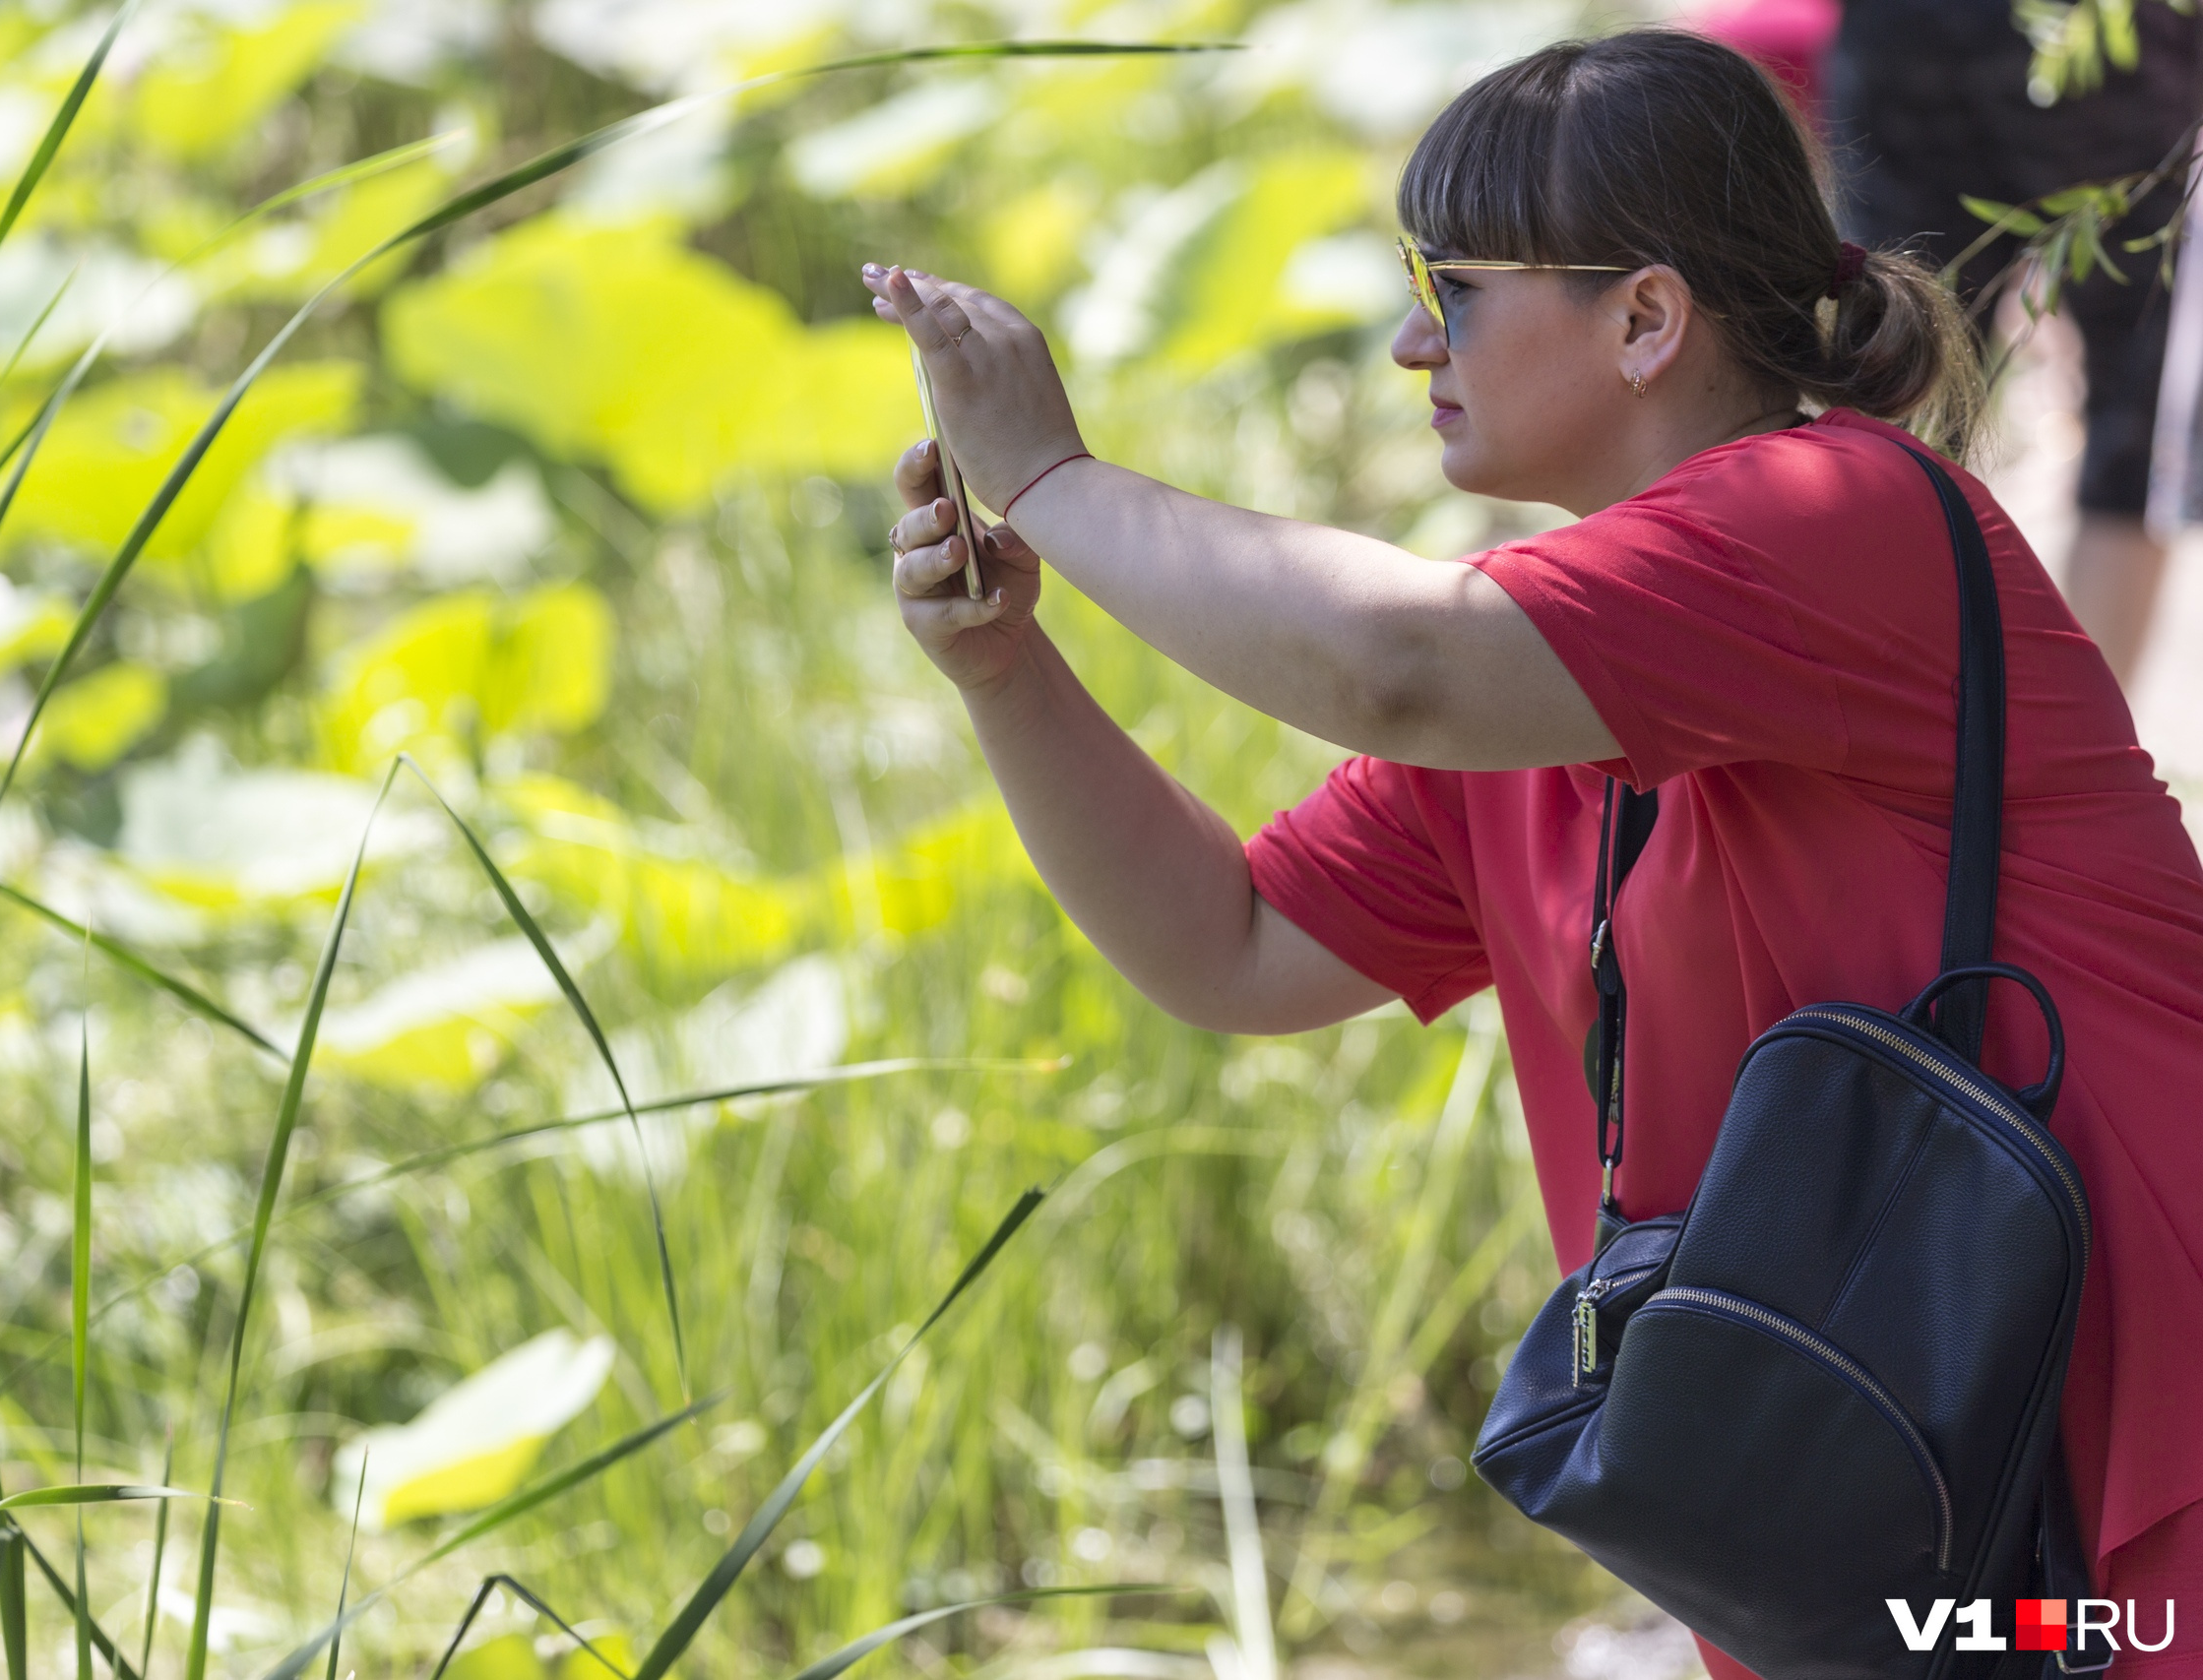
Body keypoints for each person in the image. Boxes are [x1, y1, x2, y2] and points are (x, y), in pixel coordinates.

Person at [863, 30, 2203, 1680]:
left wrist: (1052, 477)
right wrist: (1009, 674)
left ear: (1646, 318)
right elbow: (1229, 947)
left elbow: (1398, 663)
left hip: (2136, 1437)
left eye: (1458, 286)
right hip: (1889, 1500)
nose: (1416, 340)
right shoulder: (1543, 696)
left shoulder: (1831, 514)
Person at [1830, 0, 2203, 683]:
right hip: (2091, 41)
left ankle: (1930, 753)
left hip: (1907, 29)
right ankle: (2073, 763)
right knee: (2130, 399)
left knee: (1892, 383)